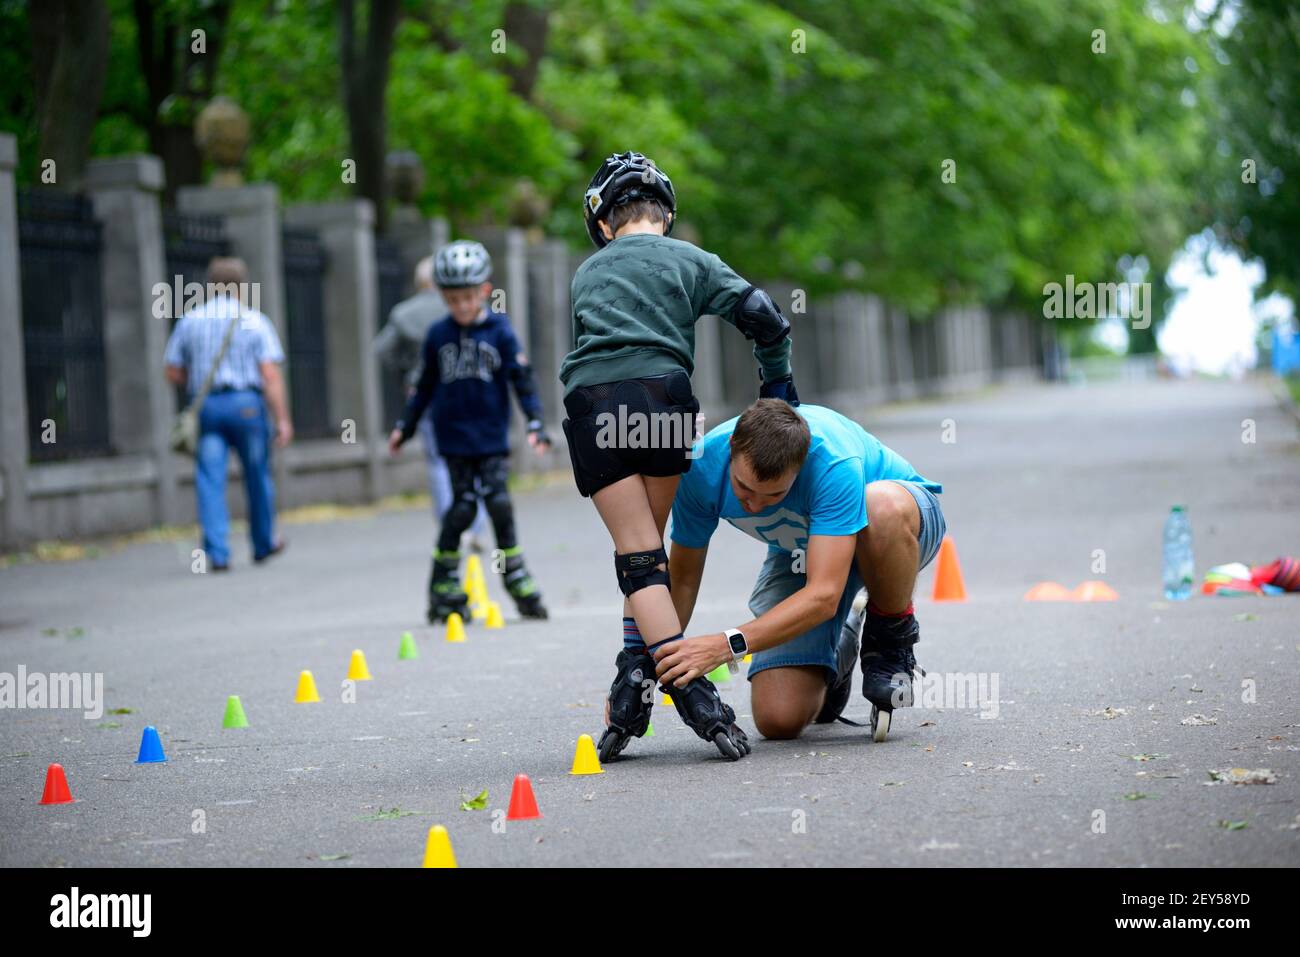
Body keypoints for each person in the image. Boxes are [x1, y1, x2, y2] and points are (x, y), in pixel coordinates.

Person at [560, 150, 799, 762]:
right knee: (652, 562)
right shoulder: (692, 260)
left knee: (638, 561)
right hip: (665, 402)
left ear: (605, 223)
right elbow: (767, 321)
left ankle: (672, 693)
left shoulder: (586, 272)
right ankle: (657, 686)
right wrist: (777, 390)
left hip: (596, 405)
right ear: (664, 215)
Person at [655, 399, 946, 744]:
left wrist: (724, 645)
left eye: (774, 493)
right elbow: (684, 580)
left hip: (896, 532)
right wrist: (645, 665)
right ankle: (838, 653)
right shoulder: (700, 469)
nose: (755, 504)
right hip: (805, 551)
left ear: (801, 465)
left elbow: (823, 596)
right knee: (778, 718)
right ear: (732, 447)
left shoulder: (832, 461)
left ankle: (890, 637)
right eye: (744, 488)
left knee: (879, 506)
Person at [388, 240, 550, 623]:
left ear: (485, 291)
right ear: (442, 296)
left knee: (498, 503)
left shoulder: (501, 331)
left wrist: (535, 422)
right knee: (461, 508)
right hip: (454, 439)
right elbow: (424, 387)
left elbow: (522, 380)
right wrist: (404, 428)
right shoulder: (437, 335)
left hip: (491, 438)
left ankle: (516, 575)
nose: (461, 307)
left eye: (467, 298)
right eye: (452, 299)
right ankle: (443, 581)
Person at [163, 256, 291, 571]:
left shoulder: (190, 320)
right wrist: (283, 419)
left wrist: (198, 376)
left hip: (207, 407)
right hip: (247, 405)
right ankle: (262, 543)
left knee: (209, 477)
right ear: (241, 286)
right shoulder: (254, 320)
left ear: (210, 285)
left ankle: (218, 552)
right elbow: (270, 375)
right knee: (257, 473)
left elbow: (172, 371)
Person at [373, 255, 489, 551]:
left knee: (439, 461)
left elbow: (382, 349)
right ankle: (474, 526)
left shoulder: (404, 313)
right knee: (475, 458)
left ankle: (451, 525)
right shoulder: (464, 307)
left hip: (425, 393)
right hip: (468, 389)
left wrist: (405, 372)